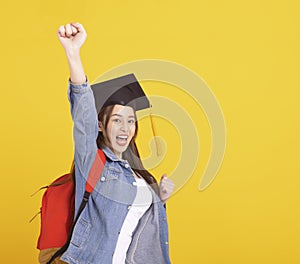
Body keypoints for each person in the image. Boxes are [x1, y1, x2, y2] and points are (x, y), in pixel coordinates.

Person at [52, 22, 175, 264]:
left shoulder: (140, 177)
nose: (125, 128)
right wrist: (73, 54)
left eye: (130, 121)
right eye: (116, 120)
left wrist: (158, 199)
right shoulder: (93, 162)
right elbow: (83, 116)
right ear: (100, 125)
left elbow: (137, 233)